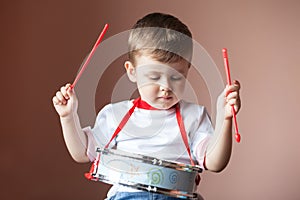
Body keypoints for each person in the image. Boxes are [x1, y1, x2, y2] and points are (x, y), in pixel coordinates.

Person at [52, 12, 241, 200]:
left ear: (187, 71)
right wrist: (68, 117)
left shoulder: (194, 116)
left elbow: (215, 163)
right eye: (154, 77)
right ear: (132, 72)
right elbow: (82, 153)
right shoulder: (114, 115)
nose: (166, 87)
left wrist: (225, 119)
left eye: (176, 77)